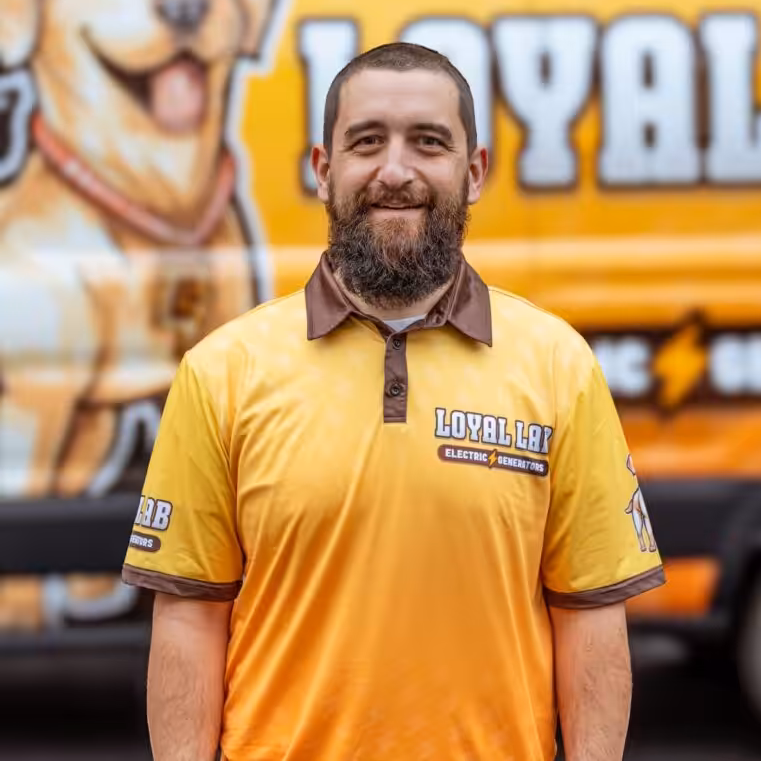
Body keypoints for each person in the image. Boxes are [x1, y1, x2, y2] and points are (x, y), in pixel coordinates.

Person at [122, 42, 665, 761]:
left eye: (429, 142)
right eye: (367, 141)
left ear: (473, 174)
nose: (396, 171)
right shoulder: (223, 370)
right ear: (325, 170)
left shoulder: (558, 364)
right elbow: (189, 616)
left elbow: (591, 618)